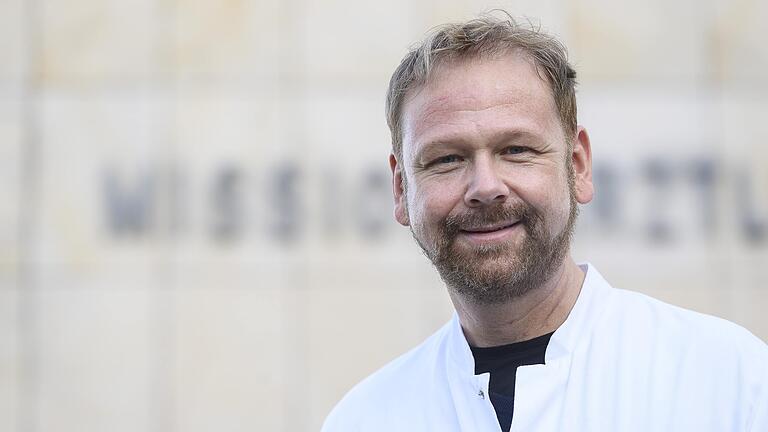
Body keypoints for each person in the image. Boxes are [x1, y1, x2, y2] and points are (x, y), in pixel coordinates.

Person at [322, 12, 768, 432]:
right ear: (401, 189)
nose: (485, 186)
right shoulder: (366, 418)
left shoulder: (726, 380)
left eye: (516, 150)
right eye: (447, 158)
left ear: (578, 166)